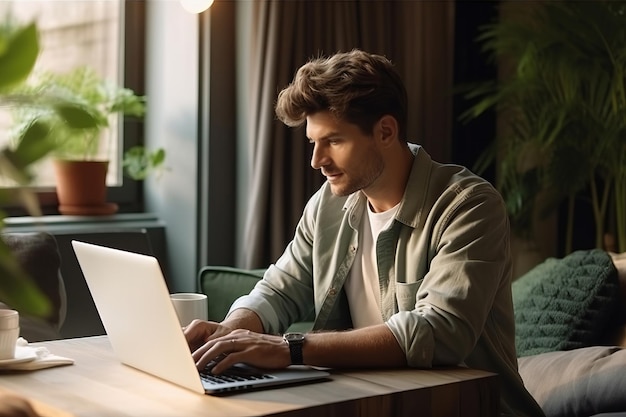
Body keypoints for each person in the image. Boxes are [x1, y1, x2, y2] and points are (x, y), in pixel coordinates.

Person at [185, 49, 546, 416]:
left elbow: (439, 331)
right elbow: (278, 290)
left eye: (334, 141)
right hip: (375, 403)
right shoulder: (327, 205)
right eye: (314, 142)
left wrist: (292, 348)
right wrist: (228, 335)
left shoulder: (468, 205)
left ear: (385, 131)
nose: (317, 160)